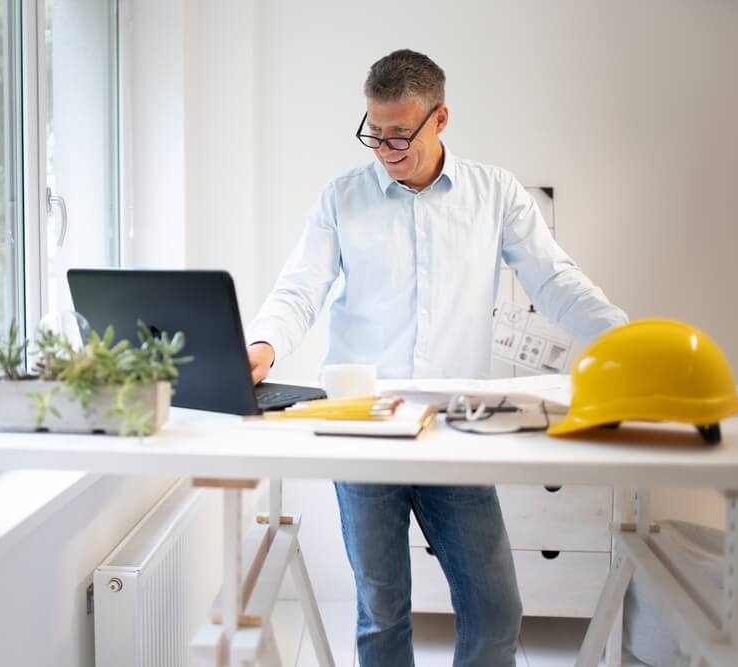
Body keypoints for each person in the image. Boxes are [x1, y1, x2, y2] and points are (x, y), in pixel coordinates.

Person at [244, 49, 628, 666]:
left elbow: (554, 279)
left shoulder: (494, 192)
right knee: (381, 611)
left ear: (440, 117)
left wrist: (621, 339)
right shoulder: (342, 198)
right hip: (363, 429)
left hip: (456, 429)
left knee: (497, 609)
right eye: (374, 133)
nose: (386, 149)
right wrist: (262, 345)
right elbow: (300, 288)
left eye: (400, 134)